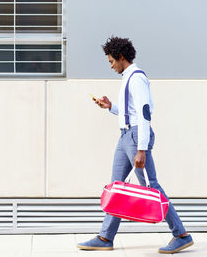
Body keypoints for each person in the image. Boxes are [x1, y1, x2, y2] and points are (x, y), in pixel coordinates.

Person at [77, 36, 194, 254]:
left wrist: (141, 149)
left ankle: (181, 234)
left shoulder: (137, 78)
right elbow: (130, 112)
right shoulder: (127, 77)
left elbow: (144, 113)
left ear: (121, 57)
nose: (111, 65)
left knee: (152, 186)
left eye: (111, 61)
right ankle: (106, 237)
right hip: (125, 137)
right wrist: (111, 106)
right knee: (117, 187)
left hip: (136, 138)